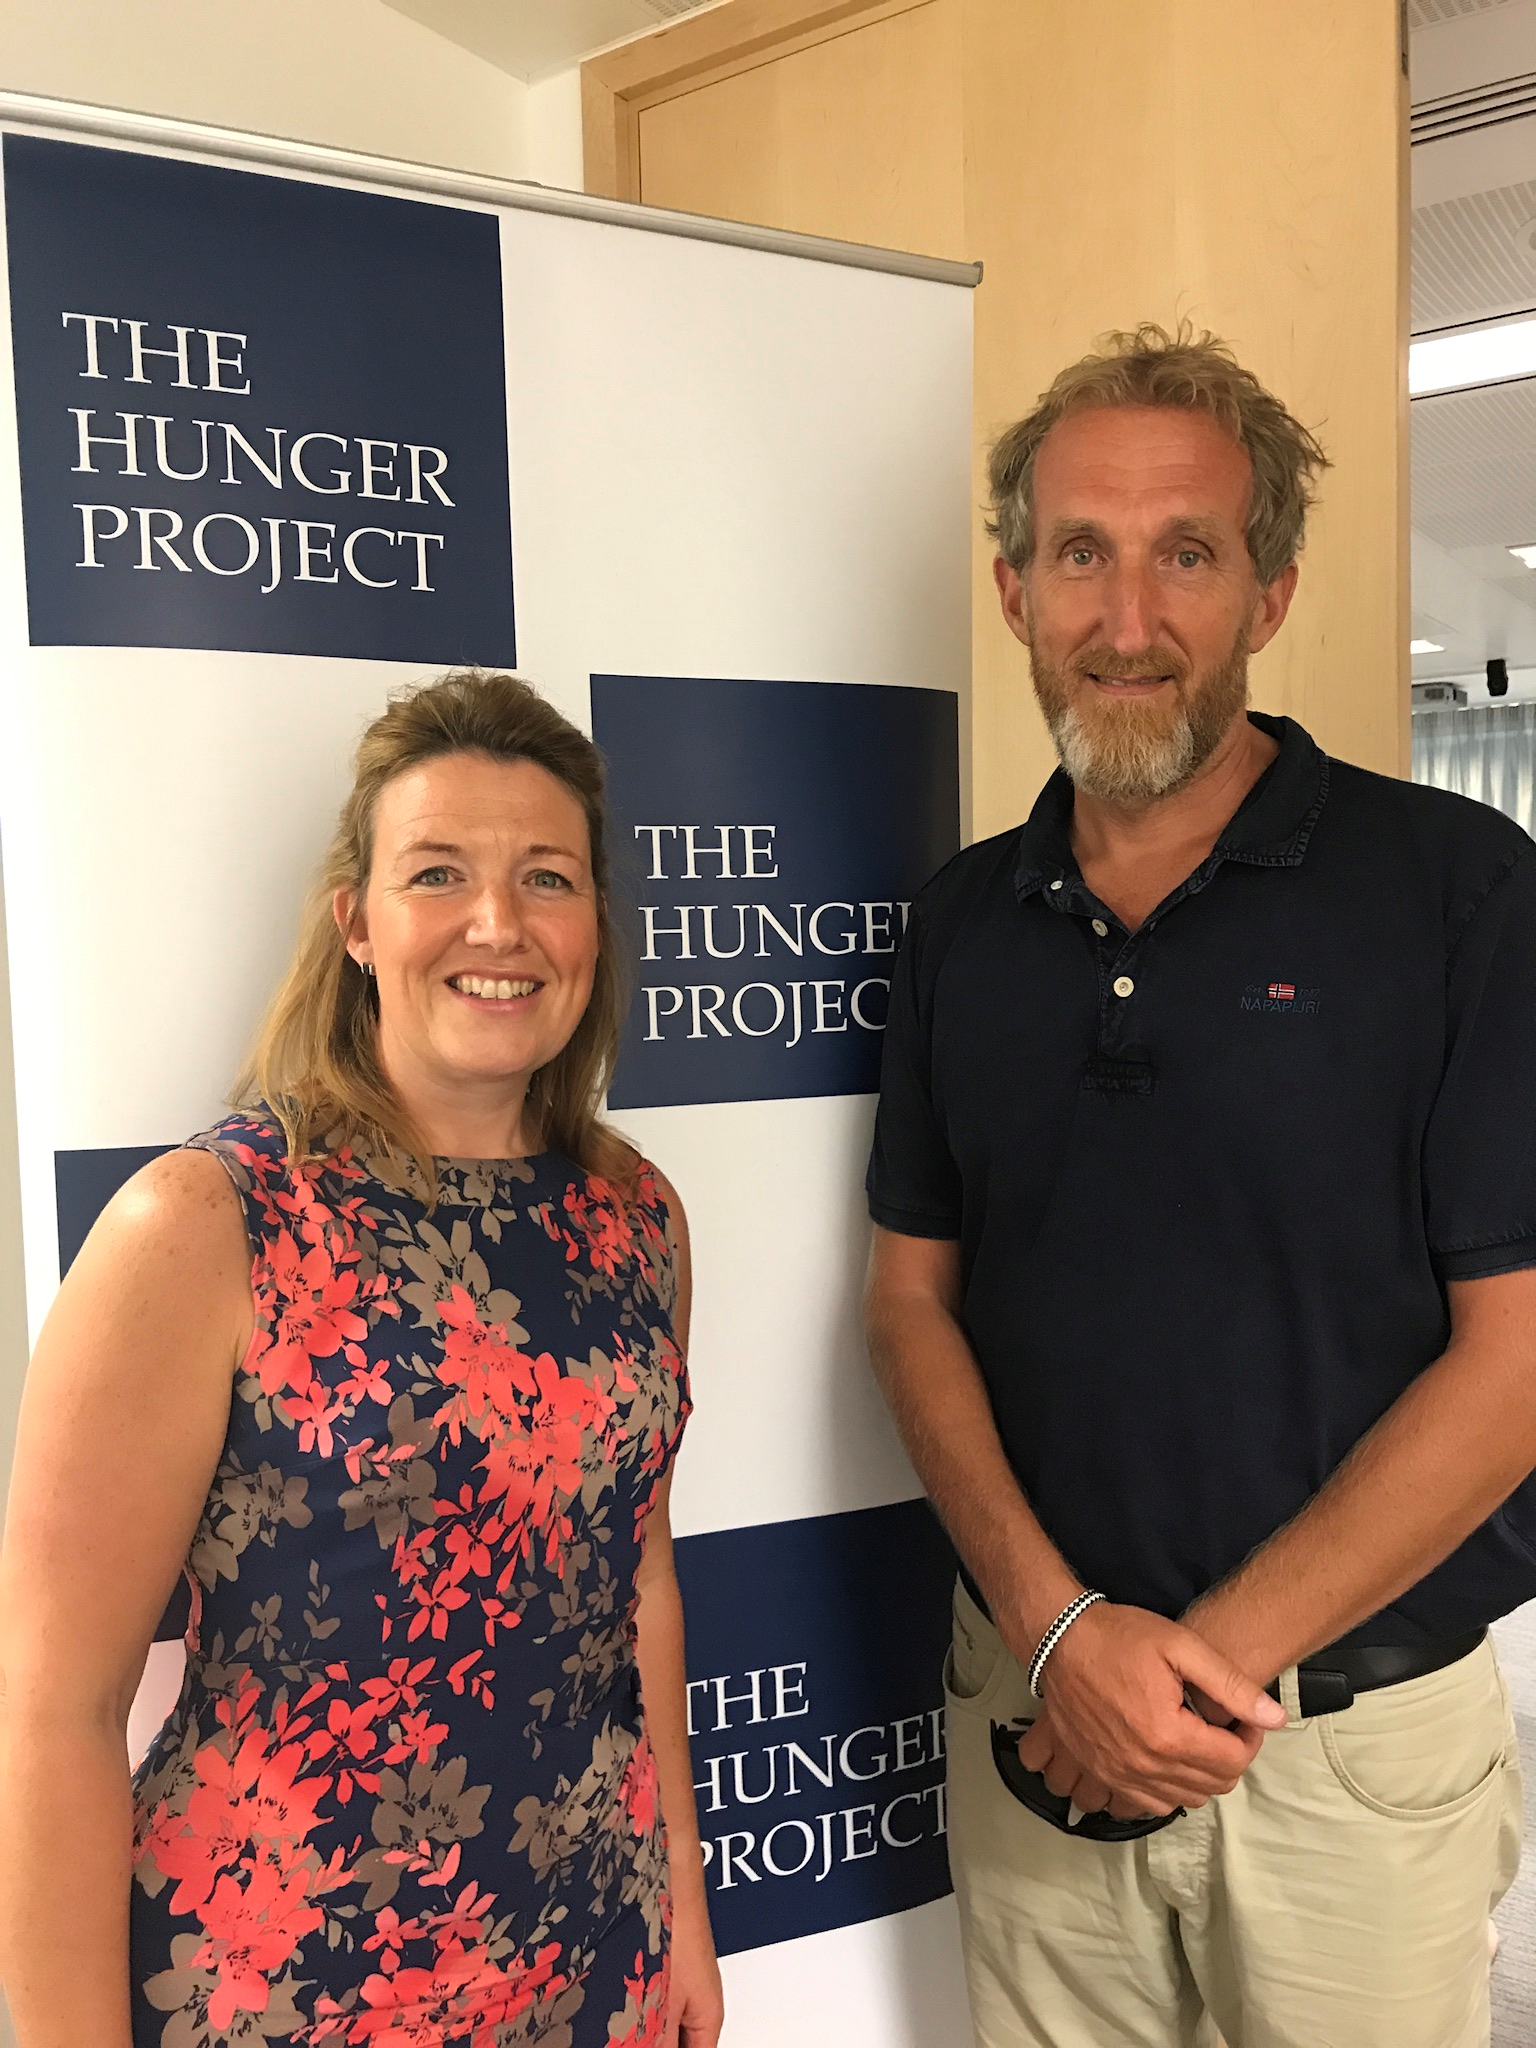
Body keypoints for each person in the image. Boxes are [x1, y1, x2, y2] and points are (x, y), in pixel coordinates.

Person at [864, 324, 1536, 2048]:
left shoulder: (1460, 890)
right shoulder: (959, 926)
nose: (1129, 618)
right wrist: (1058, 1630)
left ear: (1273, 589)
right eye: (1080, 551)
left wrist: (1178, 1672)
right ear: (1015, 589)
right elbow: (908, 1299)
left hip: (1342, 1764)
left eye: (1188, 553)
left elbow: (1517, 1363)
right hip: (1034, 1718)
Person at [0, 671, 724, 2048]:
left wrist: (683, 1902)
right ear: (358, 922)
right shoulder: (206, 1225)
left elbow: (637, 1580)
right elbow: (55, 1707)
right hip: (286, 1986)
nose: (498, 924)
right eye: (438, 872)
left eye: (548, 879)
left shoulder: (640, 1219)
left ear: (595, 926)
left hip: (594, 1953)